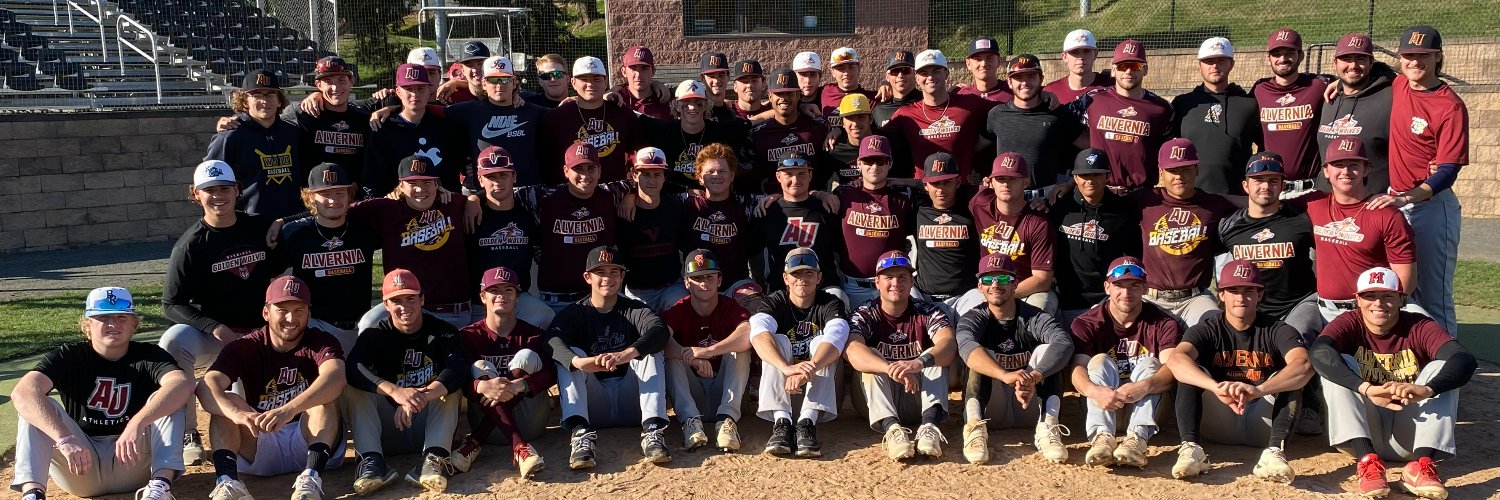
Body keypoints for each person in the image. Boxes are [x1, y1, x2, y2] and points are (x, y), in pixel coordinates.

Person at [11, 287, 192, 500]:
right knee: (37, 406)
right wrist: (65, 438)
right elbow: (23, 393)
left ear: (133, 324)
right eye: (103, 318)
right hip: (81, 465)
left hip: (133, 462)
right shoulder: (69, 356)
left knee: (167, 398)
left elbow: (181, 384)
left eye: (121, 317)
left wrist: (137, 423)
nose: (113, 324)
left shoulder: (149, 355)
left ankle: (160, 488)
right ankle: (33, 494)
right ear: (87, 325)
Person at [1310, 267, 1476, 499]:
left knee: (1440, 369)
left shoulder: (1418, 325)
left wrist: (1427, 389)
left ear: (1401, 299)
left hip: (1410, 435)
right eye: (1370, 296)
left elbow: (1464, 360)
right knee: (1340, 362)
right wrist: (1367, 389)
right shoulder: (1349, 322)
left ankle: (1421, 464)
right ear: (1358, 300)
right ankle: (1367, 460)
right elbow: (1319, 352)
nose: (1378, 303)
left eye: (1387, 296)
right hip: (1362, 432)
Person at [160, 160, 284, 466]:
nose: (218, 196)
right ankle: (188, 433)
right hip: (217, 337)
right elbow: (171, 303)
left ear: (237, 190)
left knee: (248, 416)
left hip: (261, 333)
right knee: (174, 341)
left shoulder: (260, 227)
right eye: (210, 190)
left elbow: (310, 219)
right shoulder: (191, 245)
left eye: (225, 189)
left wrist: (283, 222)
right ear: (196, 194)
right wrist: (214, 327)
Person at [197, 276, 347, 500]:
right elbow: (206, 386)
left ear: (309, 313)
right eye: (282, 310)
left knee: (323, 400)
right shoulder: (246, 346)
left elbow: (335, 378)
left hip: (309, 437)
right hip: (261, 438)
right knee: (226, 402)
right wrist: (237, 414)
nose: (291, 318)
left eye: (299, 310)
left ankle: (311, 479)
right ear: (266, 312)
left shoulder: (321, 341)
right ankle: (228, 483)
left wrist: (289, 410)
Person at [1166, 260, 1312, 483]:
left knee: (1290, 378)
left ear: (1260, 295)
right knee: (1190, 372)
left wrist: (1259, 389)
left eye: (1248, 291)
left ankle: (1275, 452)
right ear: (1221, 295)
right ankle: (1191, 447)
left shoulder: (1277, 329)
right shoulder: (1207, 329)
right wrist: (1216, 388)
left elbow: (1304, 364)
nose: (1240, 297)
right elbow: (1176, 360)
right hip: (1219, 418)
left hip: (1263, 421)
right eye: (1233, 291)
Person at [1378, 25, 1469, 337]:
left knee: (1434, 296)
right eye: (1408, 55)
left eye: (1423, 55)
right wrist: (1333, 83)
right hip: (1395, 201)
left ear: (1438, 57)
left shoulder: (1450, 105)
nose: (1414, 62)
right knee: (1400, 290)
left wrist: (1407, 197)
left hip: (1430, 207)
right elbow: (1368, 71)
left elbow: (1448, 170)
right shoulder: (1398, 83)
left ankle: (1448, 367)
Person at [547, 245, 672, 468]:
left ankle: (653, 430)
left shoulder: (633, 308)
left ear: (622, 276)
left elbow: (659, 331)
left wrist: (627, 353)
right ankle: (580, 434)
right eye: (600, 272)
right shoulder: (576, 312)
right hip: (594, 405)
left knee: (649, 351)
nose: (607, 278)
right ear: (587, 277)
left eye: (614, 272)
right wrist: (580, 362)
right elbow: (551, 340)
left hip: (632, 402)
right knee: (571, 355)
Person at [344, 269, 466, 495]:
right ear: (385, 304)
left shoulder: (442, 331)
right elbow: (353, 367)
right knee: (354, 389)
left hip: (427, 426)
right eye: (396, 301)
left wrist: (417, 397)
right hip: (389, 427)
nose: (404, 306)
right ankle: (372, 462)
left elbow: (457, 369)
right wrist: (396, 392)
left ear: (422, 299)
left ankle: (434, 458)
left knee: (449, 389)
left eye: (410, 298)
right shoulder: (375, 334)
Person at [956, 254, 1074, 465]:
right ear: (980, 287)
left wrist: (1035, 375)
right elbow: (966, 346)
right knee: (979, 355)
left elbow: (1064, 343)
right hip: (991, 406)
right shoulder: (973, 317)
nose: (995, 285)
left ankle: (1048, 426)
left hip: (1028, 401)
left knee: (1048, 352)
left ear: (1015, 284)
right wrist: (1005, 375)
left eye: (1003, 279)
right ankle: (974, 429)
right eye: (988, 280)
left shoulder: (1033, 316)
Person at [335, 155, 473, 329]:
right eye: (412, 183)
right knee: (368, 324)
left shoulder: (453, 203)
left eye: (427, 182)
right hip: (403, 308)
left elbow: (491, 198)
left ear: (436, 184)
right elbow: (338, 208)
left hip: (452, 311)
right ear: (401, 186)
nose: (420, 189)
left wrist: (473, 200)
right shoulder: (386, 208)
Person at [1069, 256, 1181, 468]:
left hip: (1147, 407)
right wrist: (1094, 391)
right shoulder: (1087, 322)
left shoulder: (1163, 322)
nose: (1126, 293)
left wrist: (1146, 385)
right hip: (1103, 404)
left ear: (1145, 288)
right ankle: (1101, 438)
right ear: (1107, 287)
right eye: (1119, 286)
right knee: (1099, 360)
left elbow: (1174, 369)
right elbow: (1077, 369)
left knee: (1150, 363)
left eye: (1134, 286)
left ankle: (1137, 440)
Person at [845, 251, 957, 461]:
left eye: (902, 277)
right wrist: (890, 368)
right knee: (871, 357)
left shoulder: (927, 311)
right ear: (877, 282)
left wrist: (918, 363)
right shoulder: (865, 312)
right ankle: (892, 429)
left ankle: (929, 427)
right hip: (875, 401)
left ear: (912, 282)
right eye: (889, 277)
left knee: (932, 356)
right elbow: (852, 350)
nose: (896, 283)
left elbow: (949, 344)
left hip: (917, 396)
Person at [449, 266, 555, 480]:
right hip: (487, 421)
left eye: (508, 290)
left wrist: (520, 385)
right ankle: (520, 447)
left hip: (529, 422)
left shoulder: (532, 334)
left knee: (526, 356)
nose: (502, 295)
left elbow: (551, 373)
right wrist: (481, 385)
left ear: (517, 297)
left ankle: (475, 441)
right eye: (494, 290)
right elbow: (457, 378)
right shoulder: (468, 336)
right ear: (482, 297)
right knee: (480, 366)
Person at [746, 247, 850, 458]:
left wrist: (808, 369)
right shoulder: (774, 301)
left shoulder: (830, 303)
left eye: (808, 273)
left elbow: (837, 336)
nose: (802, 279)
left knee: (823, 342)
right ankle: (782, 423)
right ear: (786, 278)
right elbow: (757, 333)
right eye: (796, 274)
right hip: (783, 389)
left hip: (819, 395)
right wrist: (787, 368)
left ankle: (807, 423)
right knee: (777, 340)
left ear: (819, 277)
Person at [1306, 137, 1418, 323]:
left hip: (1374, 310)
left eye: (1354, 165)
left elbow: (1406, 279)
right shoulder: (1313, 204)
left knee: (1434, 336)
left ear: (1366, 169)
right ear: (1326, 170)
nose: (1346, 171)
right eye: (1338, 164)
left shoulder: (1386, 214)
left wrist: (1381, 315)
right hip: (1325, 311)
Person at [514, 141, 635, 312]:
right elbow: (500, 192)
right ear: (566, 171)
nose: (585, 175)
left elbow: (643, 182)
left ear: (599, 171)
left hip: (599, 297)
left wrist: (632, 195)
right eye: (578, 169)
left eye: (591, 168)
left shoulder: (610, 194)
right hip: (556, 301)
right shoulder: (543, 197)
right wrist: (476, 198)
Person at [1132, 139, 1239, 327]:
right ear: (1161, 173)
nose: (1179, 177)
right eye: (1172, 171)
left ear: (1196, 170)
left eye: (1185, 169)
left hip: (1195, 299)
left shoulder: (1213, 204)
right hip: (1151, 298)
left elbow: (1255, 203)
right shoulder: (1145, 201)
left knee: (1215, 328)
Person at [278, 163, 379, 351]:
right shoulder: (294, 233)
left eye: (340, 192)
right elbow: (275, 279)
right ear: (311, 197)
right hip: (314, 327)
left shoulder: (365, 229)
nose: (333, 200)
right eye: (325, 194)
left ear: (349, 195)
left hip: (360, 326)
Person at [661, 250, 753, 452]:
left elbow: (747, 333)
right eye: (697, 278)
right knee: (672, 355)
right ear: (687, 283)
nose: (704, 283)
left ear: (719, 280)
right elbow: (661, 340)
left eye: (709, 277)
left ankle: (727, 421)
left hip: (725, 391)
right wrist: (691, 357)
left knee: (740, 350)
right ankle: (690, 422)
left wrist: (709, 351)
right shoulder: (679, 309)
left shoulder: (729, 306)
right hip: (693, 393)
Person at [1064, 39, 1173, 193]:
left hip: (1142, 193)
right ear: (1113, 70)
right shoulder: (1092, 100)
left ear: (1145, 69)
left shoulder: (1161, 108)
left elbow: (1168, 152)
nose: (1128, 72)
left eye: (1135, 66)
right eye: (1122, 66)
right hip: (1101, 192)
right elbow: (1061, 122)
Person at [1050, 149, 1142, 328]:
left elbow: (1132, 259)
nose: (1090, 181)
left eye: (1097, 175)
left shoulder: (1123, 211)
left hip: (1106, 302)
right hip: (1065, 301)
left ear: (1107, 176)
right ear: (1075, 178)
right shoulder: (1058, 206)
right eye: (1085, 175)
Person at [467, 146, 556, 329]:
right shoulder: (471, 213)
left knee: (547, 317)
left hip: (518, 297)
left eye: (503, 175)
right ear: (480, 180)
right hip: (480, 301)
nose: (498, 182)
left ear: (514, 176)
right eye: (491, 177)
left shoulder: (529, 209)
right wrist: (472, 199)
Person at [205, 69, 303, 218]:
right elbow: (210, 183)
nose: (265, 101)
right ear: (245, 101)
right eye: (257, 95)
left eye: (270, 95)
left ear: (279, 100)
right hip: (250, 223)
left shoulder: (293, 133)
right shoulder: (230, 137)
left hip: (292, 220)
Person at [983, 54, 1086, 195]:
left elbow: (1090, 146)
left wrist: (1071, 182)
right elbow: (973, 147)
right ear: (1009, 82)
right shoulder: (996, 114)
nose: (1025, 82)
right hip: (1005, 198)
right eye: (1018, 78)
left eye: (1031, 76)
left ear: (1041, 79)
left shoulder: (1058, 114)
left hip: (1046, 199)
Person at [968, 153, 1057, 313]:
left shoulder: (1038, 222)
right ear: (991, 182)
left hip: (1025, 290)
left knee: (1040, 306)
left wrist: (1005, 295)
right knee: (969, 311)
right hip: (989, 286)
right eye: (1001, 178)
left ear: (1026, 182)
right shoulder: (978, 204)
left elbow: (1043, 279)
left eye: (1013, 179)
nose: (1006, 184)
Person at [1171, 37, 1262, 195]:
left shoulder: (1249, 105)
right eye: (1209, 61)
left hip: (1236, 198)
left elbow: (1265, 147)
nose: (1215, 66)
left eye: (1221, 60)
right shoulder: (1183, 104)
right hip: (1192, 198)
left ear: (1231, 64)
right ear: (1199, 65)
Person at [835, 135, 916, 311]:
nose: (874, 167)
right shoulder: (843, 194)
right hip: (854, 286)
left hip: (894, 286)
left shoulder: (904, 195)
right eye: (868, 161)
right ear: (859, 163)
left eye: (880, 161)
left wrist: (907, 182)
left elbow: (935, 188)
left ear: (890, 163)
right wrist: (818, 193)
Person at [884, 50, 989, 183]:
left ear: (946, 73)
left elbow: (1004, 114)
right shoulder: (905, 114)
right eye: (924, 73)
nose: (930, 77)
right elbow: (875, 136)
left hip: (961, 189)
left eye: (936, 71)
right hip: (922, 190)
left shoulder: (970, 104)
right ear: (916, 78)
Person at [1252, 28, 1333, 197]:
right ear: (1268, 58)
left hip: (1311, 188)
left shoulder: (1318, 86)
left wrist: (1338, 84)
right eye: (1276, 54)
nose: (1283, 58)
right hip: (1272, 189)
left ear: (1301, 56)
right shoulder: (1259, 90)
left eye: (1289, 52)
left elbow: (1355, 79)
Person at [447, 55, 549, 188]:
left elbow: (563, 113)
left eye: (505, 79)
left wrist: (574, 100)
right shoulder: (470, 111)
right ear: (484, 83)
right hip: (489, 194)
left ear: (514, 82)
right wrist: (452, 83)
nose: (499, 85)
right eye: (493, 79)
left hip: (529, 193)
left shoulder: (533, 111)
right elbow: (429, 110)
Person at [540, 56, 645, 184]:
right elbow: (546, 164)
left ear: (605, 82)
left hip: (614, 191)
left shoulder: (623, 114)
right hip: (571, 192)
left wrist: (632, 189)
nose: (590, 84)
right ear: (573, 82)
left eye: (596, 79)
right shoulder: (555, 118)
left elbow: (640, 156)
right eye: (584, 79)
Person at [363, 63, 462, 198]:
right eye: (408, 89)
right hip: (395, 205)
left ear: (429, 90)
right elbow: (373, 176)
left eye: (420, 88)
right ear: (398, 92)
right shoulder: (384, 129)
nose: (415, 94)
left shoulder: (445, 127)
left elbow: (453, 174)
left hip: (439, 204)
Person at [750, 153, 845, 292]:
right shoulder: (766, 211)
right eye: (788, 174)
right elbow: (751, 252)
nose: (795, 180)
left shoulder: (826, 208)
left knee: (839, 296)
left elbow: (842, 251)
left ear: (810, 175)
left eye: (801, 174)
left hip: (824, 289)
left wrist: (819, 194)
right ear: (778, 176)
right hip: (781, 291)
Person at [1316, 33, 1396, 196]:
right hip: (1326, 200)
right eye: (1346, 59)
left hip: (1372, 201)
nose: (1353, 65)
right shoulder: (1329, 98)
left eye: (1360, 59)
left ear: (1371, 62)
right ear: (1334, 63)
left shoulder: (1391, 97)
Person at [641, 80, 752, 193]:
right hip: (675, 198)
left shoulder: (721, 131)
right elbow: (634, 115)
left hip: (712, 197)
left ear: (706, 105)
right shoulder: (664, 131)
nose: (692, 107)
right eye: (686, 102)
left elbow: (751, 123)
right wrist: (652, 83)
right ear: (676, 105)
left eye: (698, 102)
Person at [679, 143, 762, 292]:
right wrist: (633, 196)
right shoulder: (687, 205)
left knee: (755, 302)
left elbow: (786, 200)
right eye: (710, 171)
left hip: (737, 284)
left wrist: (775, 197)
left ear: (732, 175)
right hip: (698, 285)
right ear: (700, 177)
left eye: (722, 171)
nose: (716, 175)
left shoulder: (747, 204)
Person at [284, 57, 372, 193]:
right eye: (328, 82)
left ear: (352, 81)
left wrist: (386, 109)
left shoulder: (363, 116)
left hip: (355, 196)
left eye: (341, 80)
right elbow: (270, 122)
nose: (335, 88)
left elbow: (399, 98)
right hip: (315, 197)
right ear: (318, 85)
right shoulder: (303, 114)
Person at [618, 147, 689, 311]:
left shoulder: (676, 208)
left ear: (664, 177)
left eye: (657, 174)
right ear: (634, 175)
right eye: (645, 174)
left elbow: (687, 246)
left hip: (672, 287)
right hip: (637, 292)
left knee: (683, 313)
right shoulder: (624, 212)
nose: (652, 180)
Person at [911, 153, 981, 320]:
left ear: (958, 181)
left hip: (965, 296)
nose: (941, 190)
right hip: (925, 297)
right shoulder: (916, 212)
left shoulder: (973, 210)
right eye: (935, 183)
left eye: (947, 182)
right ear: (925, 185)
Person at [747, 69, 830, 194]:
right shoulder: (756, 134)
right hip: (772, 202)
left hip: (813, 200)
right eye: (779, 94)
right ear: (770, 97)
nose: (784, 98)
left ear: (798, 95)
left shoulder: (819, 127)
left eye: (789, 93)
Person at [1043, 29, 1114, 104]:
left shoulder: (1113, 86)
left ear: (1095, 54)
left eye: (1086, 51)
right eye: (1075, 52)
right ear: (1064, 57)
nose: (1081, 57)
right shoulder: (1051, 92)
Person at [818, 47, 877, 126]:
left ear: (859, 68)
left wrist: (887, 86)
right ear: (832, 72)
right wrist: (803, 106)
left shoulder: (873, 98)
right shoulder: (825, 91)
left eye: (851, 67)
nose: (846, 73)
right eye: (841, 68)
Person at [612, 45, 673, 120]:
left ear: (653, 71)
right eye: (633, 68)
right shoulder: (615, 100)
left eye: (644, 68)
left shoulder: (666, 100)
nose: (638, 74)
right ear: (624, 72)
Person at [954, 37, 1012, 103]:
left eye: (989, 59)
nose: (984, 64)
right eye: (978, 59)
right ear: (968, 64)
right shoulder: (961, 96)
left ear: (999, 61)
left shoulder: (1013, 91)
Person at [874, 50, 921, 129]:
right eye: (894, 71)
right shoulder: (879, 110)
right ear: (887, 76)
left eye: (905, 70)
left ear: (914, 74)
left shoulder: (926, 103)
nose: (900, 75)